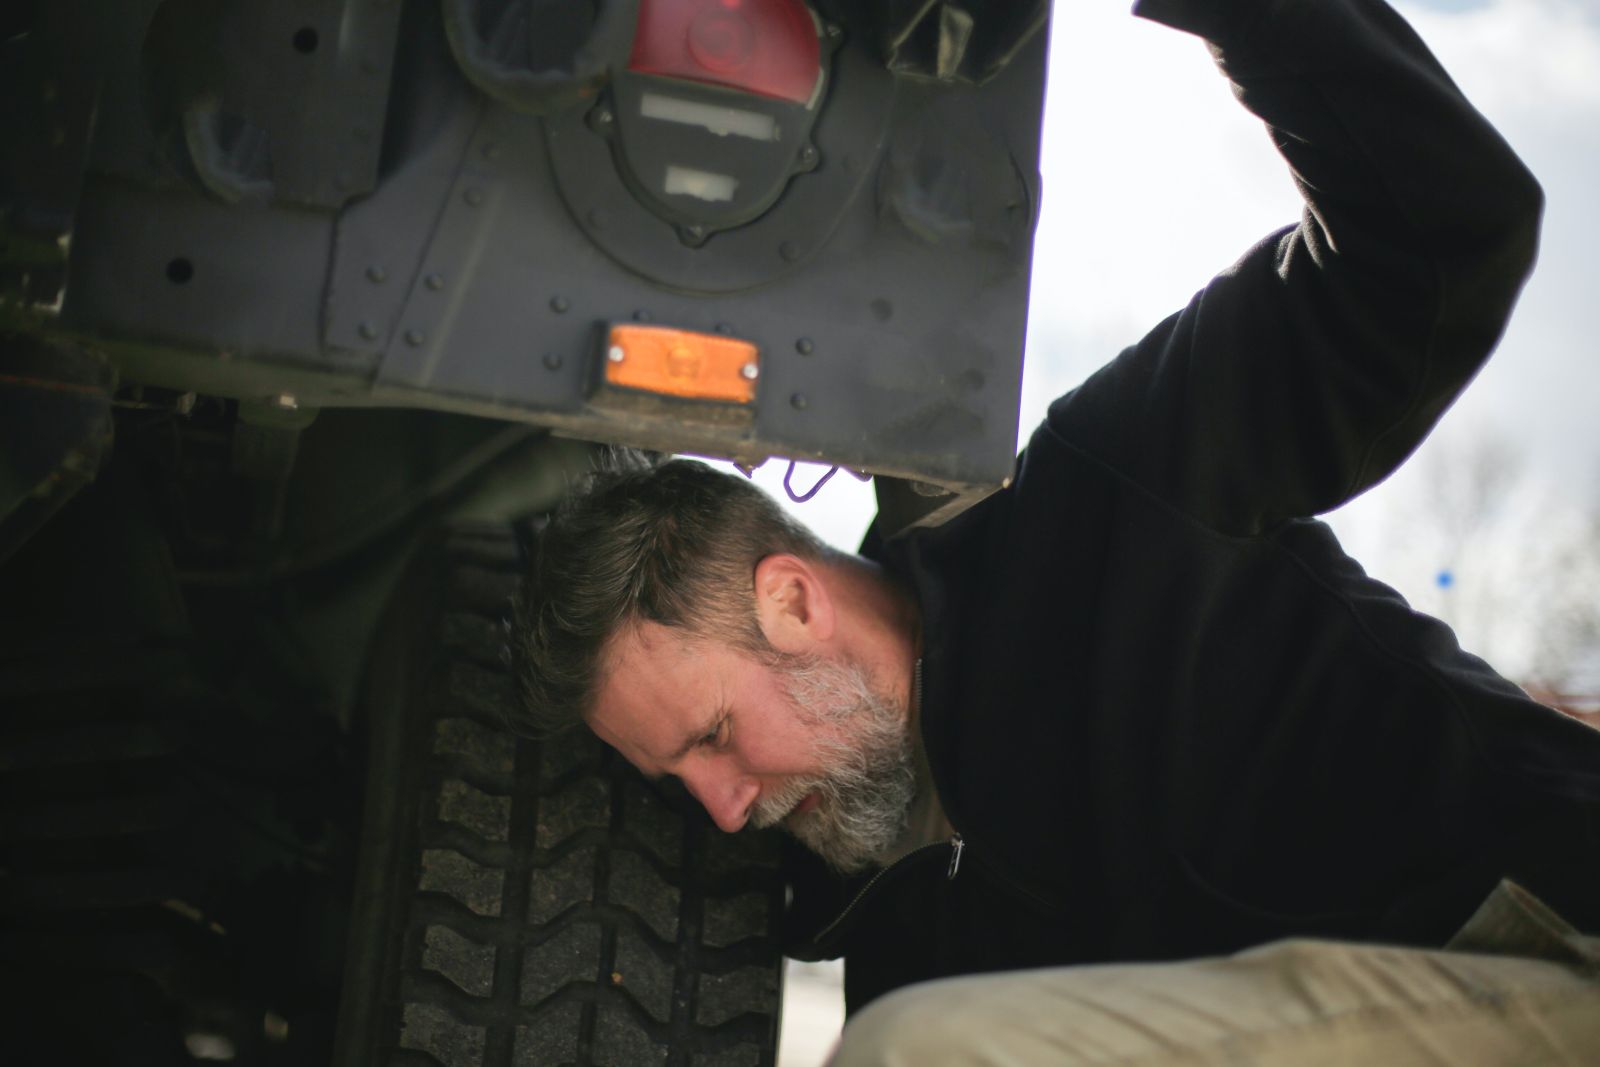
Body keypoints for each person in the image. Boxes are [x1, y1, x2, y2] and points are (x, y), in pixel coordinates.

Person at [512, 0, 1600, 1059]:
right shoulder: (904, 944)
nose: (723, 805)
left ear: (791, 598)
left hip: (1536, 945)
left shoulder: (1113, 495)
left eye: (709, 737)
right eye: (678, 780)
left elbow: (1443, 233)